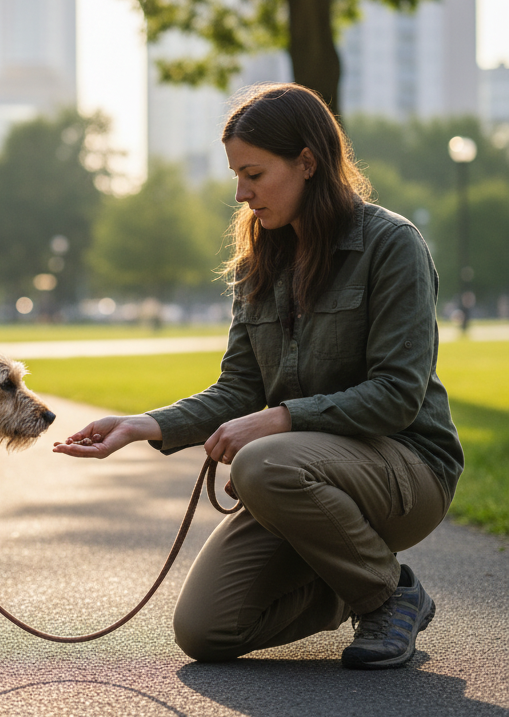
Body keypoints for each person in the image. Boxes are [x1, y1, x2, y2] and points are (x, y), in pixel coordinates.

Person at [54, 84, 463, 670]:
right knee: (206, 631)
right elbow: (238, 389)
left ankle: (388, 596)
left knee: (261, 461)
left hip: (405, 469)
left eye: (253, 174)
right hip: (298, 477)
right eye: (235, 177)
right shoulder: (259, 263)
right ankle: (348, 578)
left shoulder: (392, 245)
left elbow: (398, 396)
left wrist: (280, 419)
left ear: (307, 162)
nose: (242, 194)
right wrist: (143, 425)